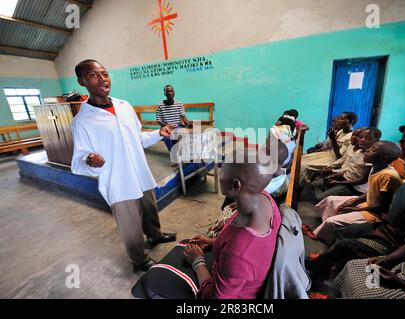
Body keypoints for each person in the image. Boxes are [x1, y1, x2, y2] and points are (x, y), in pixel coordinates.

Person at [71, 59, 176, 272]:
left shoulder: (124, 106)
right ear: (82, 82)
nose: (102, 79)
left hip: (139, 171)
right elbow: (78, 161)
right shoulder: (82, 121)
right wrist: (90, 161)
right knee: (130, 224)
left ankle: (155, 235)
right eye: (94, 75)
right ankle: (138, 259)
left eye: (105, 73)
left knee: (149, 209)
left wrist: (158, 133)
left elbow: (137, 138)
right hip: (117, 179)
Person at [306, 142, 405, 278]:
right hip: (385, 226)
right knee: (340, 233)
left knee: (344, 245)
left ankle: (323, 269)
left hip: (398, 241)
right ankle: (331, 266)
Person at [183, 149, 282, 298]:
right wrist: (213, 242)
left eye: (222, 171)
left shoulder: (238, 254)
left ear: (236, 185)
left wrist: (198, 262)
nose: (220, 174)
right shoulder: (265, 199)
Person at [335, 195, 405, 299]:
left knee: (364, 295)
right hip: (399, 270)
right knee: (353, 266)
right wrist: (388, 258)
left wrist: (399, 282)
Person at [304, 141, 403, 245]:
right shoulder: (376, 167)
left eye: (373, 150)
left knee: (331, 222)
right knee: (331, 200)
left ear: (384, 158)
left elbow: (382, 207)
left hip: (375, 214)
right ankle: (326, 228)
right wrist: (355, 201)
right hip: (369, 204)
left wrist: (355, 209)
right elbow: (372, 192)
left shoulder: (388, 176)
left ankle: (322, 236)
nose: (368, 150)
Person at [301, 127, 381, 202]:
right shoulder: (358, 151)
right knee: (315, 184)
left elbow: (362, 180)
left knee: (318, 197)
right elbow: (347, 168)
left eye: (367, 138)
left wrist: (338, 181)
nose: (362, 140)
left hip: (354, 187)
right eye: (360, 137)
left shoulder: (370, 158)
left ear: (376, 140)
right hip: (344, 178)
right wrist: (334, 171)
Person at [300, 112, 357, 182]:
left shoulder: (350, 136)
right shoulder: (342, 131)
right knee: (301, 158)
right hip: (328, 154)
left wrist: (333, 139)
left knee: (303, 165)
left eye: (342, 119)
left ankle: (300, 186)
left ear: (350, 121)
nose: (339, 121)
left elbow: (339, 156)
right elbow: (330, 146)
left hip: (333, 159)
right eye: (339, 118)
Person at [156, 85, 191, 151]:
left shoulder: (179, 104)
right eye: (167, 91)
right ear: (164, 93)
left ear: (174, 92)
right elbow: (158, 120)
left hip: (178, 126)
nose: (170, 93)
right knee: (167, 137)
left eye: (171, 91)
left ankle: (183, 153)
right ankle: (173, 154)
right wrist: (166, 126)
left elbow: (184, 117)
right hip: (166, 128)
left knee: (183, 135)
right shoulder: (160, 106)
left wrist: (190, 126)